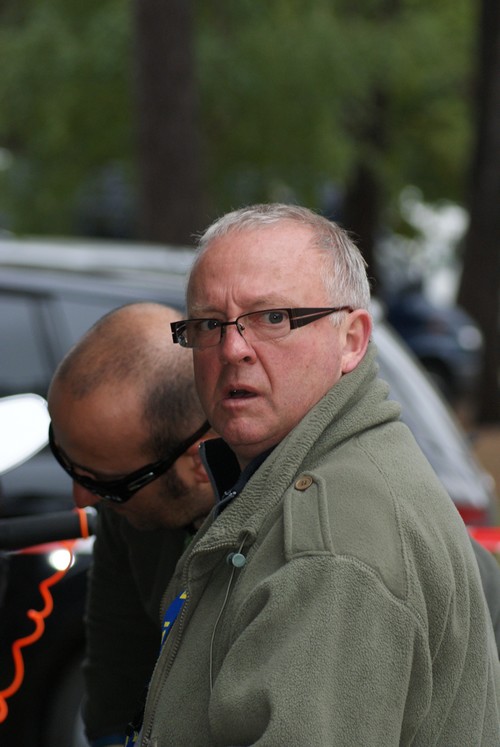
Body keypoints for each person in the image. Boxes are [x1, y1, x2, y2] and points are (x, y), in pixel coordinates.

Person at [139, 204, 500, 746]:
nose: (233, 348)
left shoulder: (331, 544)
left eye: (273, 318)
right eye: (209, 324)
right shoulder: (308, 471)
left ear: (352, 340)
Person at [47, 302, 217, 747]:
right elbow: (114, 693)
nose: (82, 500)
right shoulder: (130, 514)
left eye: (107, 484)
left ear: (200, 461)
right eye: (66, 462)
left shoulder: (305, 542)